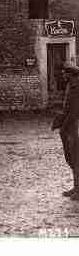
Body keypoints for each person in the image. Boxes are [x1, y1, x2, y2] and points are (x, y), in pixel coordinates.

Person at [59, 62, 79, 199]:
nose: (63, 75)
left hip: (75, 126)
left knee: (77, 158)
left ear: (71, 74)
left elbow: (74, 111)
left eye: (65, 73)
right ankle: (76, 187)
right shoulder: (70, 85)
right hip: (70, 125)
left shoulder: (77, 87)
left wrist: (64, 127)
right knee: (71, 158)